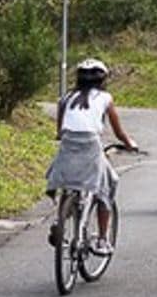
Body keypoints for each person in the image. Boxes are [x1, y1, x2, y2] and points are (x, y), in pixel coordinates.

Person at [46, 57, 137, 256]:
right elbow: (118, 132)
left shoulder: (65, 99)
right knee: (108, 184)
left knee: (68, 182)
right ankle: (103, 239)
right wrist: (130, 144)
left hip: (68, 144)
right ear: (102, 80)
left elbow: (60, 131)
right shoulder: (105, 99)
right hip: (91, 144)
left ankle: (59, 221)